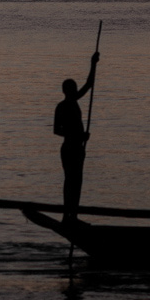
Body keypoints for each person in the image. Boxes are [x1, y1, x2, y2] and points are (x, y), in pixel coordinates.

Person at [53, 50, 99, 221]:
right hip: (69, 148)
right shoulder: (62, 106)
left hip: (78, 148)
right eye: (73, 88)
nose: (75, 91)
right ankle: (67, 214)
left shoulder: (74, 101)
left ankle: (74, 214)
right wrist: (78, 136)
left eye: (75, 88)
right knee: (70, 180)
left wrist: (93, 64)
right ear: (67, 91)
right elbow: (57, 130)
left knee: (78, 181)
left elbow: (89, 84)